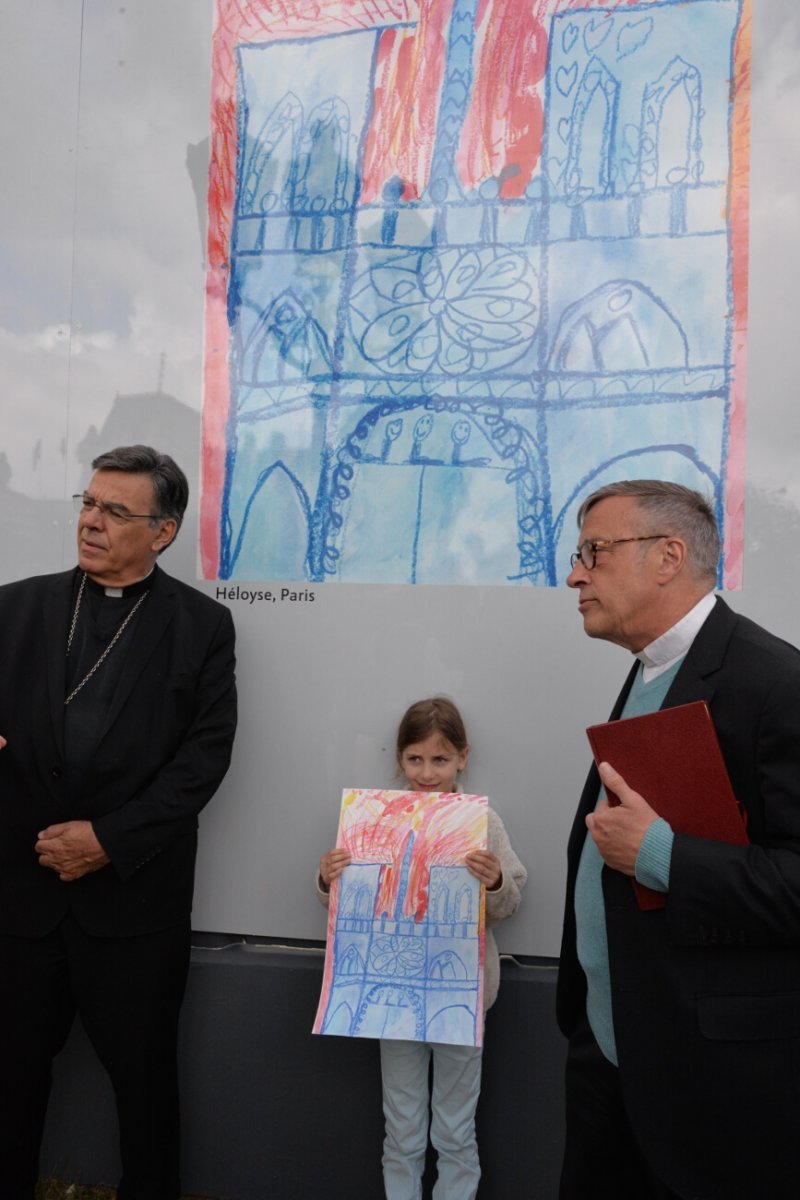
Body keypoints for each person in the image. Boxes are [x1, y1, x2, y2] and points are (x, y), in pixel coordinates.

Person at [0, 445, 237, 1200]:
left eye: (115, 511)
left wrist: (107, 840)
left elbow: (202, 762)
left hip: (134, 906)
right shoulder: (14, 607)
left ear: (162, 533)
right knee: (7, 1083)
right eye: (89, 503)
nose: (92, 522)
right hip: (21, 898)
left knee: (144, 1090)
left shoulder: (201, 627)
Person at [557, 479, 800, 1199]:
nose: (575, 573)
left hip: (710, 1085)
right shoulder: (652, 669)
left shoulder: (776, 683)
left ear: (667, 557)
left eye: (594, 552)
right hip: (610, 1051)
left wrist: (662, 856)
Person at [317, 696, 527, 1200]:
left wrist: (495, 882)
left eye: (439, 759)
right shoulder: (373, 821)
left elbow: (511, 900)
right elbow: (349, 911)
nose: (427, 773)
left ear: (462, 758)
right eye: (415, 759)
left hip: (460, 999)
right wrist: (329, 880)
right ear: (399, 758)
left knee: (456, 1129)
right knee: (402, 1126)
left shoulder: (483, 823)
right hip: (391, 995)